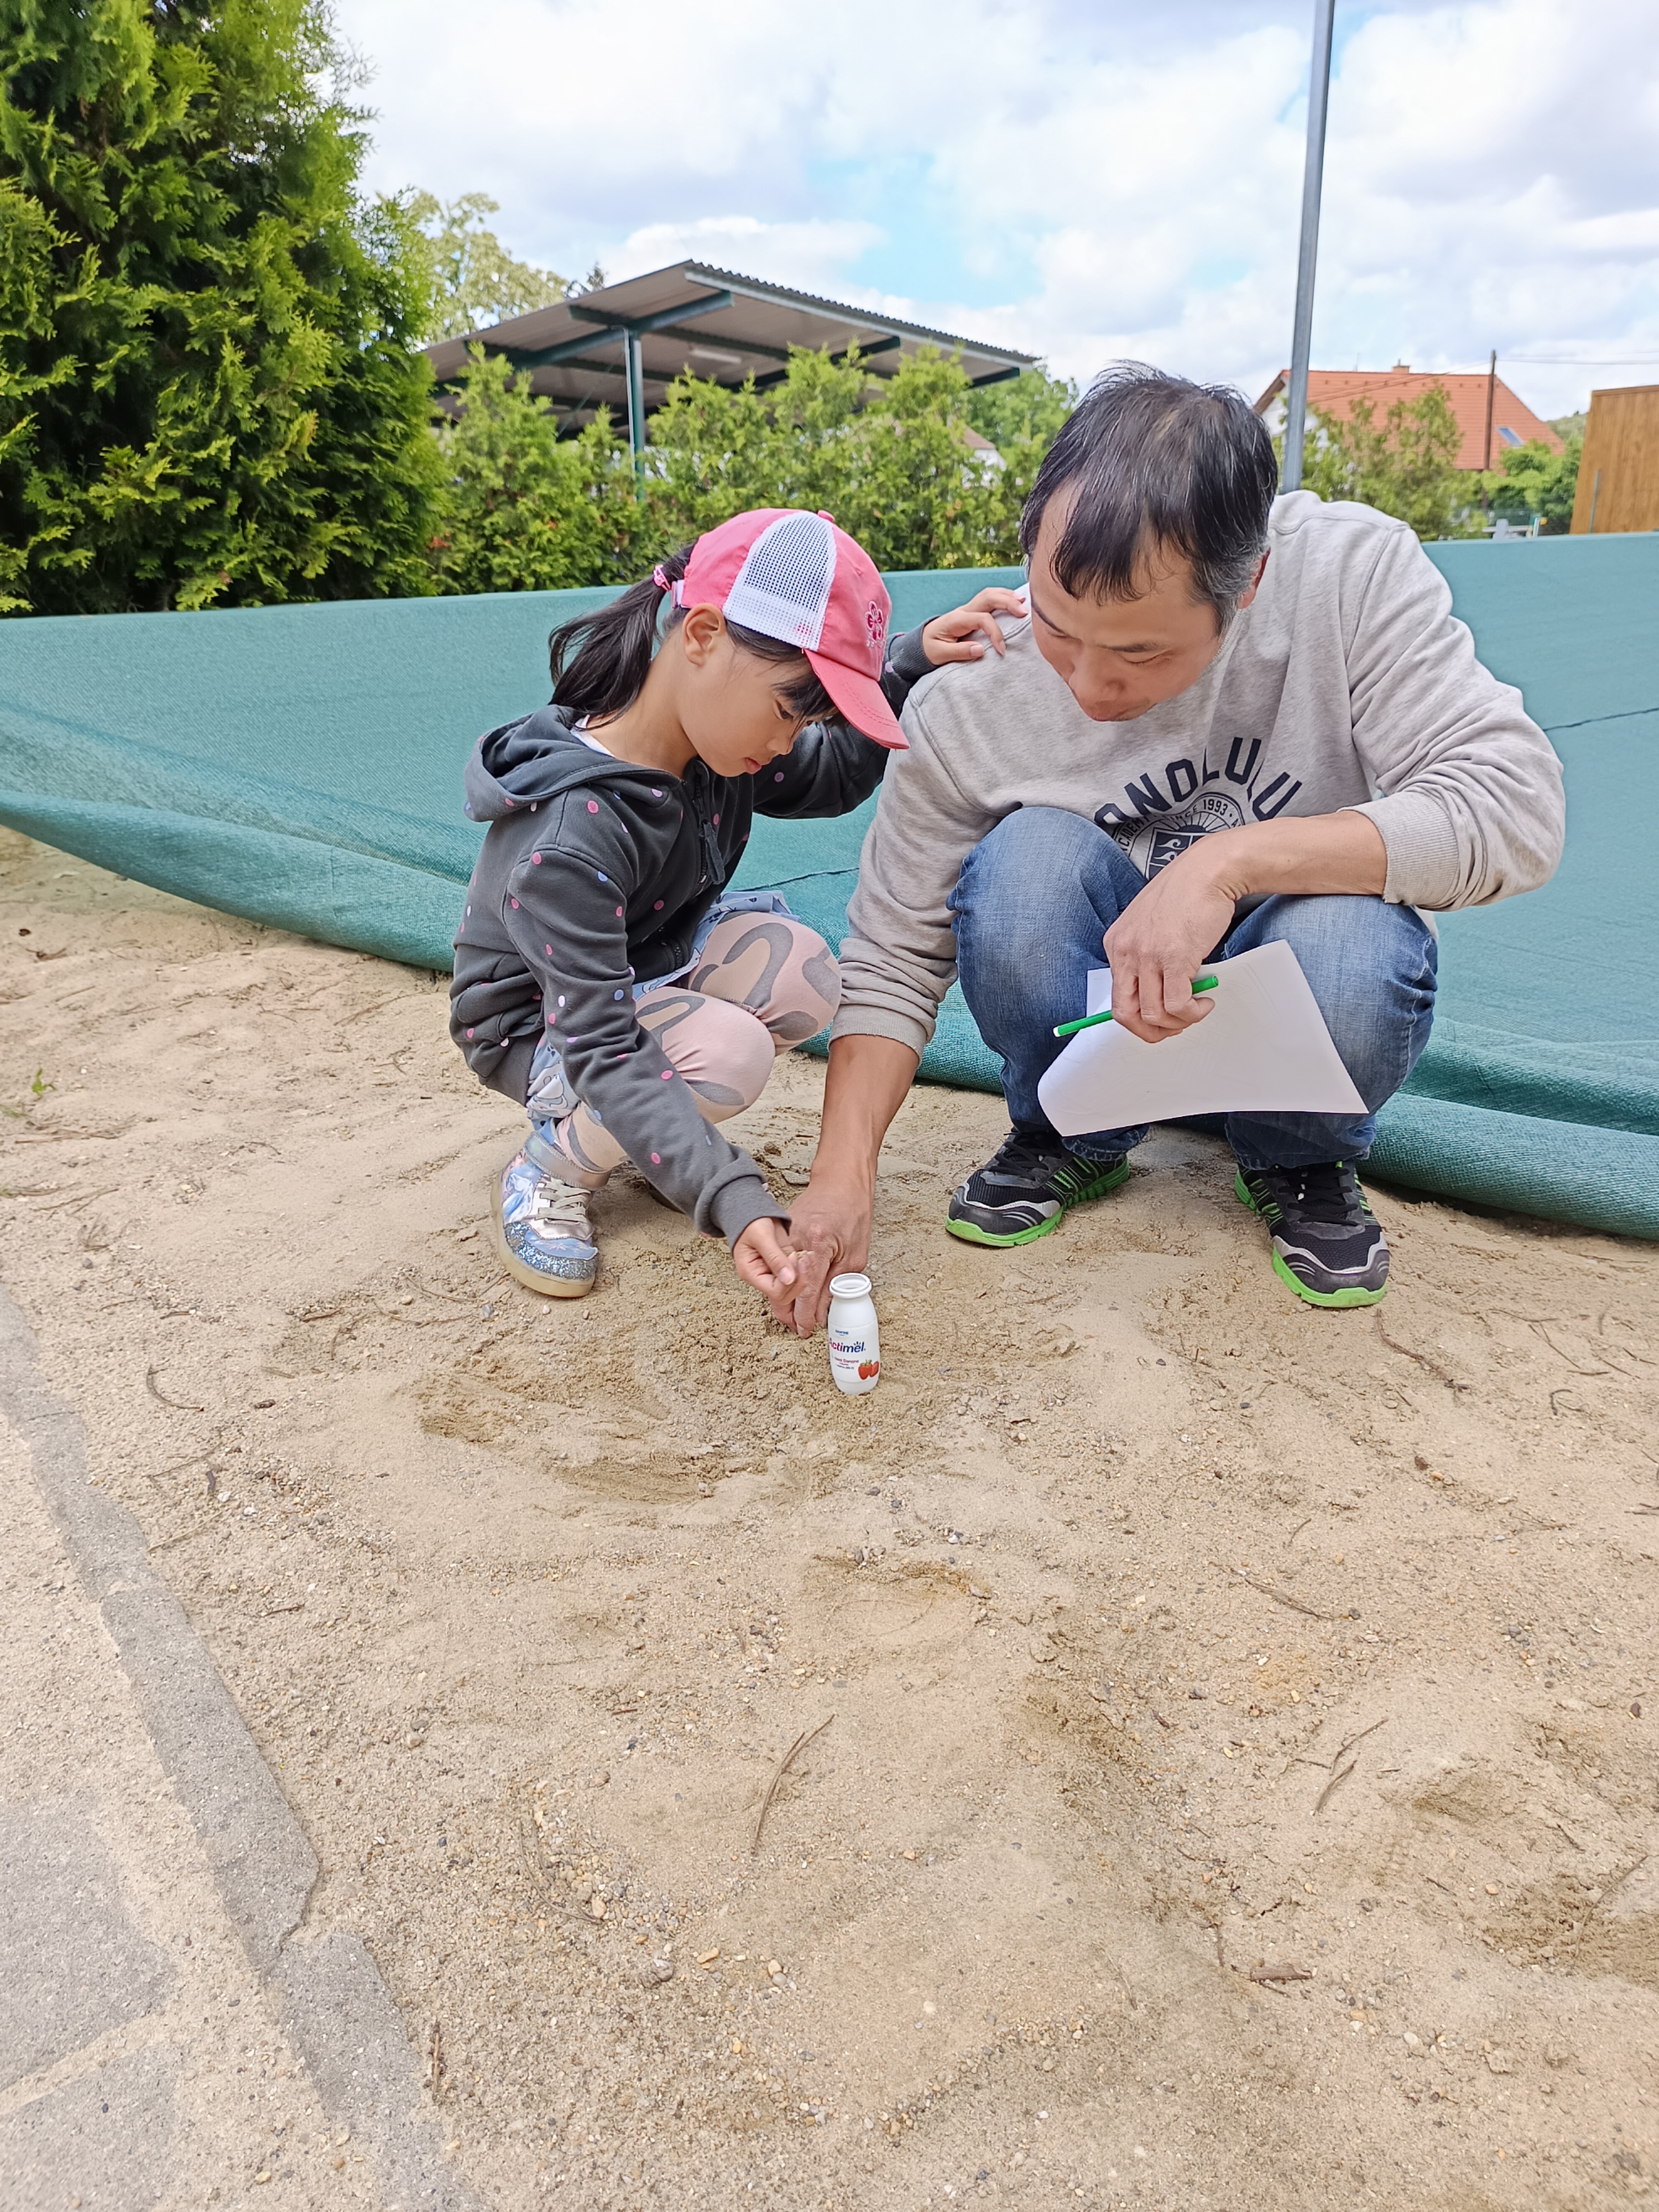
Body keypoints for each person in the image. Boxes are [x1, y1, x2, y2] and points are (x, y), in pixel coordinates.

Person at [770, 367, 1567, 1324]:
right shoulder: (972, 692)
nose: (1089, 686)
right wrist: (842, 1176)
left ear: (1250, 580)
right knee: (1022, 868)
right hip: (1094, 1013)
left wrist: (1223, 866)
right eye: (1059, 629)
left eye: (1142, 652)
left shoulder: (1348, 577)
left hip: (1289, 964)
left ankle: (1297, 1155)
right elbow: (894, 956)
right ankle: (1075, 1131)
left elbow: (1516, 809)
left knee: (1355, 941)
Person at [449, 506, 1021, 1301]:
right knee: (729, 1055)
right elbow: (605, 1048)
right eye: (790, 709)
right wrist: (731, 1196)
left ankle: (648, 1138)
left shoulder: (706, 745)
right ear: (703, 636)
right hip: (544, 1030)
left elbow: (831, 775)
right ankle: (549, 1169)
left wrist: (907, 662)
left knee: (805, 975)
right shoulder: (571, 837)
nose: (791, 740)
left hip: (648, 970)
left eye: (810, 718)